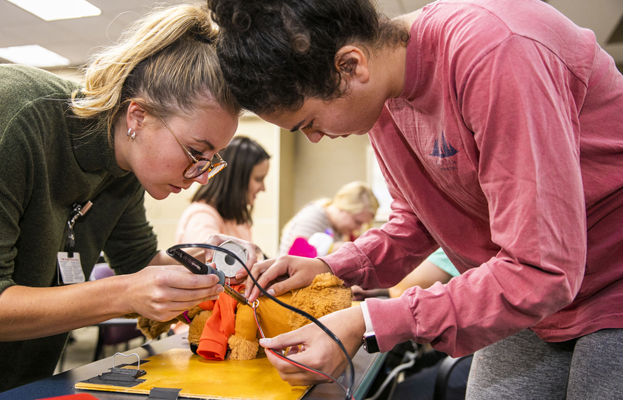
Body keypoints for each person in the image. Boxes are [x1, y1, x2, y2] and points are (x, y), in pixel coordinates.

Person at [208, 0, 623, 398]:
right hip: (530, 296)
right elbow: (416, 222)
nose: (314, 138)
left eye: (309, 123)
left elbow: (540, 267)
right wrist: (327, 268)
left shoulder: (495, 52)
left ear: (351, 66)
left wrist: (368, 321)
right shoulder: (380, 97)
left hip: (606, 282)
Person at [0, 5, 259, 399]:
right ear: (138, 117)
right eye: (196, 152)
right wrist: (124, 293)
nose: (202, 176)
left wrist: (211, 260)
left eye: (212, 160)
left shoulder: (123, 168)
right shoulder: (9, 118)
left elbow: (139, 264)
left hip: (17, 382)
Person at [175, 135, 270, 244]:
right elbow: (208, 252)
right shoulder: (202, 217)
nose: (263, 188)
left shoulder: (236, 221)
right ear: (236, 179)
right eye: (258, 179)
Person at [278, 181, 378, 256]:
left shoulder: (340, 229)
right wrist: (332, 249)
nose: (359, 228)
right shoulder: (315, 215)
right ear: (343, 207)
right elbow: (296, 255)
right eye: (357, 222)